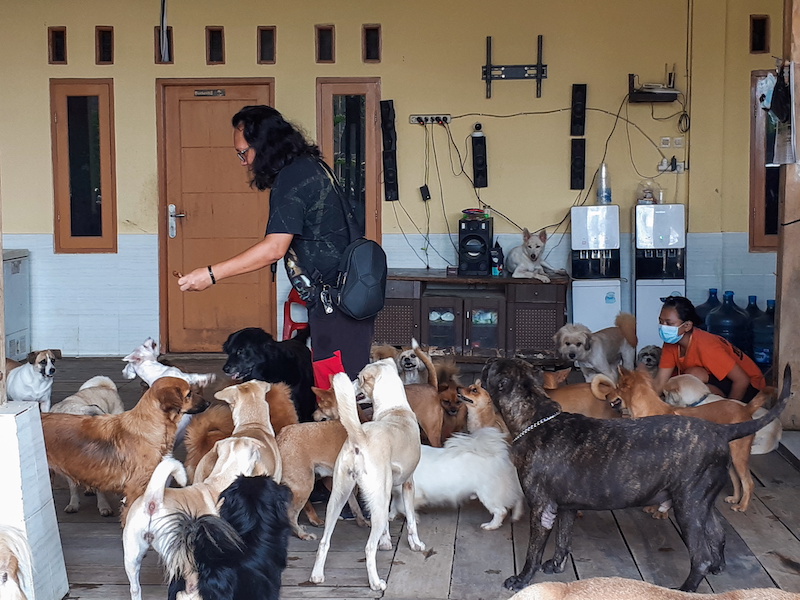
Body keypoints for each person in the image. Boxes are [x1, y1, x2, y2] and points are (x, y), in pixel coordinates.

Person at [178, 105, 375, 382]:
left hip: (336, 301)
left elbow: (274, 248)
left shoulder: (293, 177)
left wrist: (211, 274)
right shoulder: (311, 166)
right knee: (345, 382)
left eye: (243, 152)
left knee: (337, 388)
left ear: (265, 145)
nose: (243, 162)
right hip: (347, 296)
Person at [652, 295, 765, 402]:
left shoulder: (706, 346)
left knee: (691, 378)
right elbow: (660, 381)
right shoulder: (671, 343)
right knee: (684, 380)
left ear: (687, 326)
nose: (663, 327)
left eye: (669, 323)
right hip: (721, 382)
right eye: (661, 322)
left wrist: (730, 413)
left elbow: (742, 380)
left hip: (749, 388)